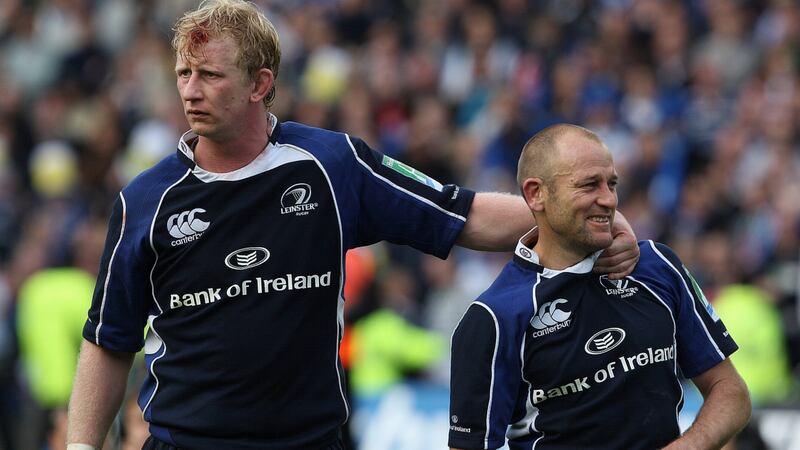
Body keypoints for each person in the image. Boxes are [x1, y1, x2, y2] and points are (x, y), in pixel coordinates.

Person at [66, 2, 640, 450]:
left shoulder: (331, 163)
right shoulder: (146, 200)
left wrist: (594, 217)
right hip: (185, 442)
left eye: (210, 75)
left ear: (260, 83)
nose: (190, 90)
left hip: (308, 442)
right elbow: (107, 341)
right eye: (184, 73)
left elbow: (464, 215)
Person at [448, 124, 751, 450]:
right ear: (537, 194)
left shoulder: (656, 266)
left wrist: (687, 446)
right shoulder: (494, 317)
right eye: (590, 185)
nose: (608, 200)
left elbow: (730, 390)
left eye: (612, 184)